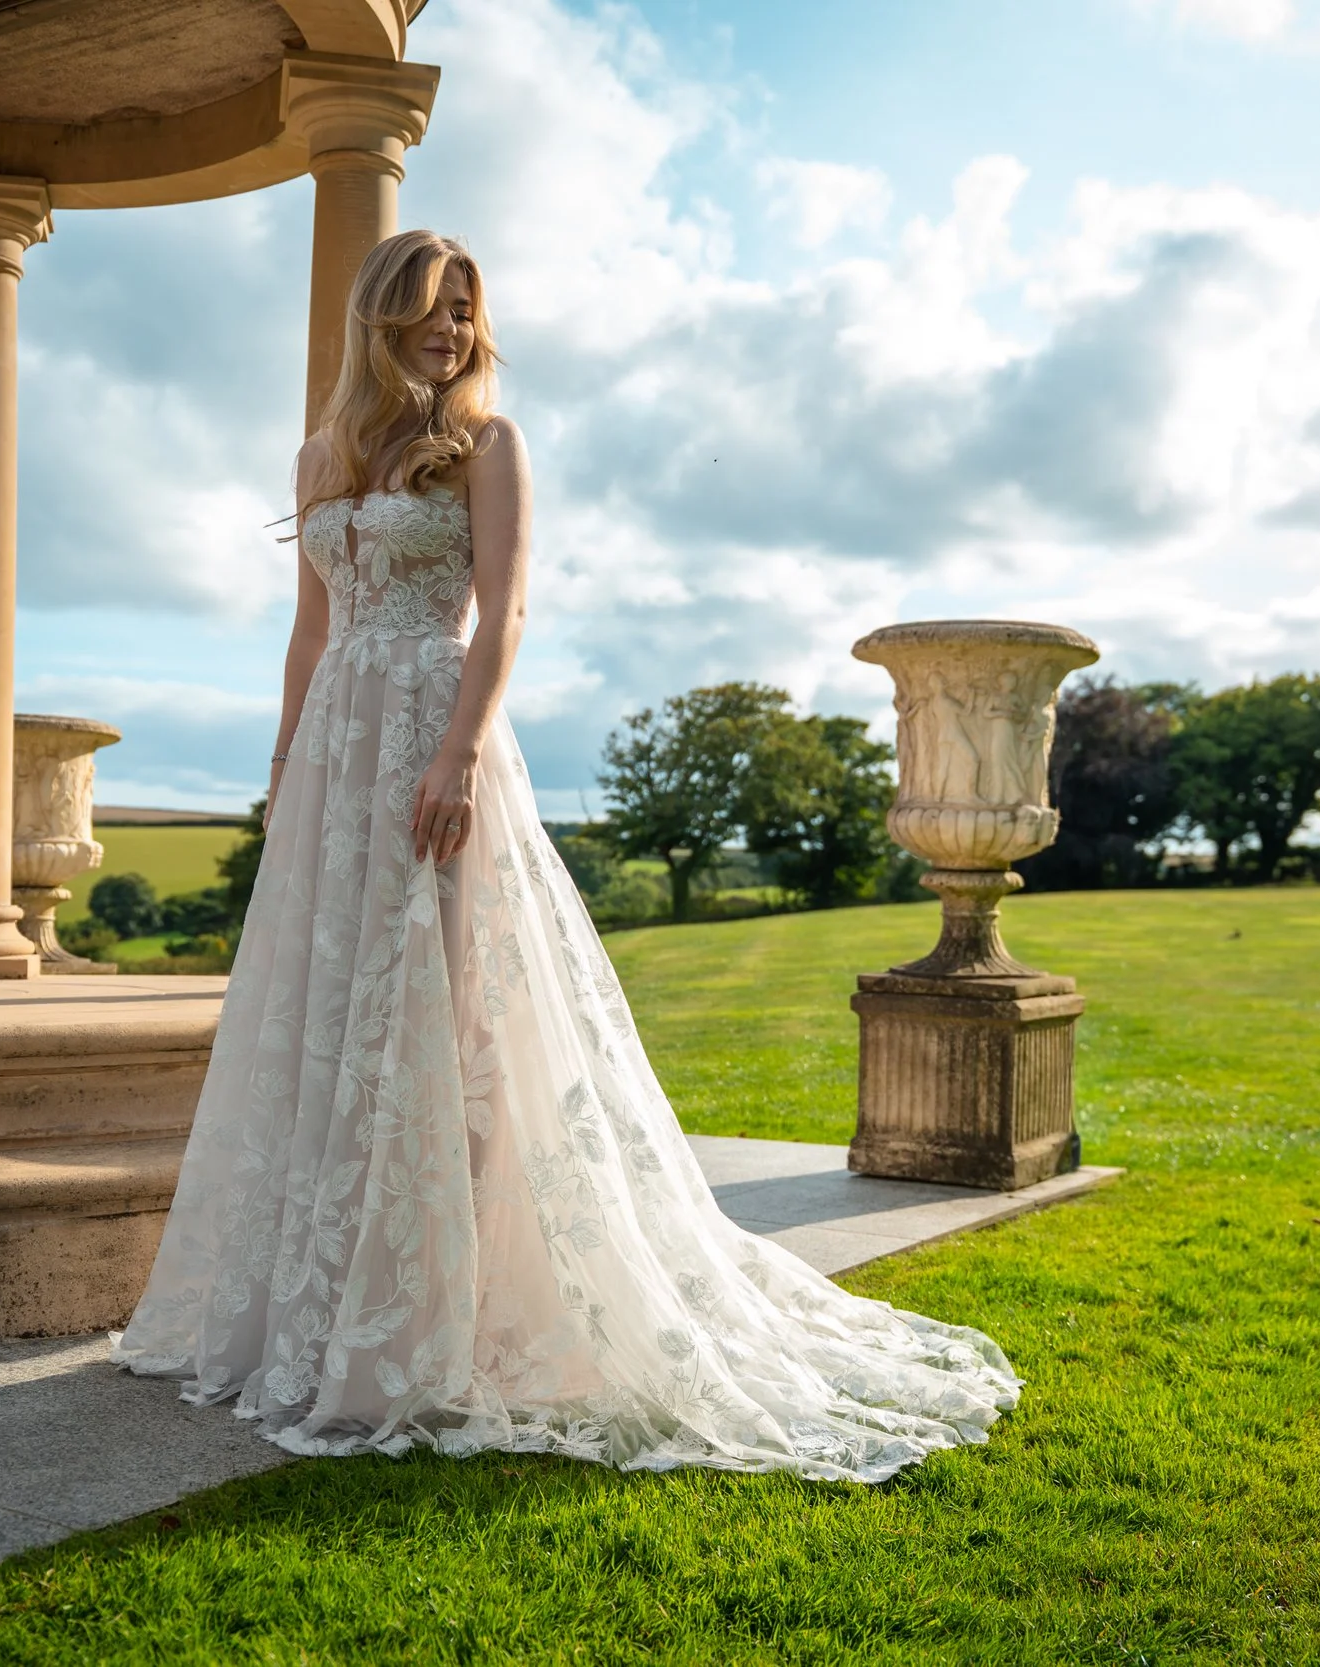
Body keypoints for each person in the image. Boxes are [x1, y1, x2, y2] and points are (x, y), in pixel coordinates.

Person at [113, 230, 1018, 1480]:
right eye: (435, 307)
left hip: (435, 723)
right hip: (337, 759)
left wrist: (460, 752)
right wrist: (283, 768)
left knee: (458, 1015)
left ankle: (457, 1304)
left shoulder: (490, 443)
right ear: (382, 315)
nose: (454, 330)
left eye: (469, 311)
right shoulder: (320, 454)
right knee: (333, 1019)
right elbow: (307, 628)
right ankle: (324, 1304)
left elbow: (505, 604)